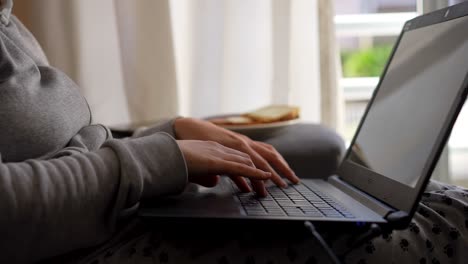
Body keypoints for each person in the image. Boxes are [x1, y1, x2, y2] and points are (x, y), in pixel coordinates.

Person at [1, 1, 467, 263]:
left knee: (439, 201)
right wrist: (157, 158)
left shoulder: (10, 22)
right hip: (92, 249)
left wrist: (170, 132)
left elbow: (64, 150)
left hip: (116, 218)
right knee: (442, 226)